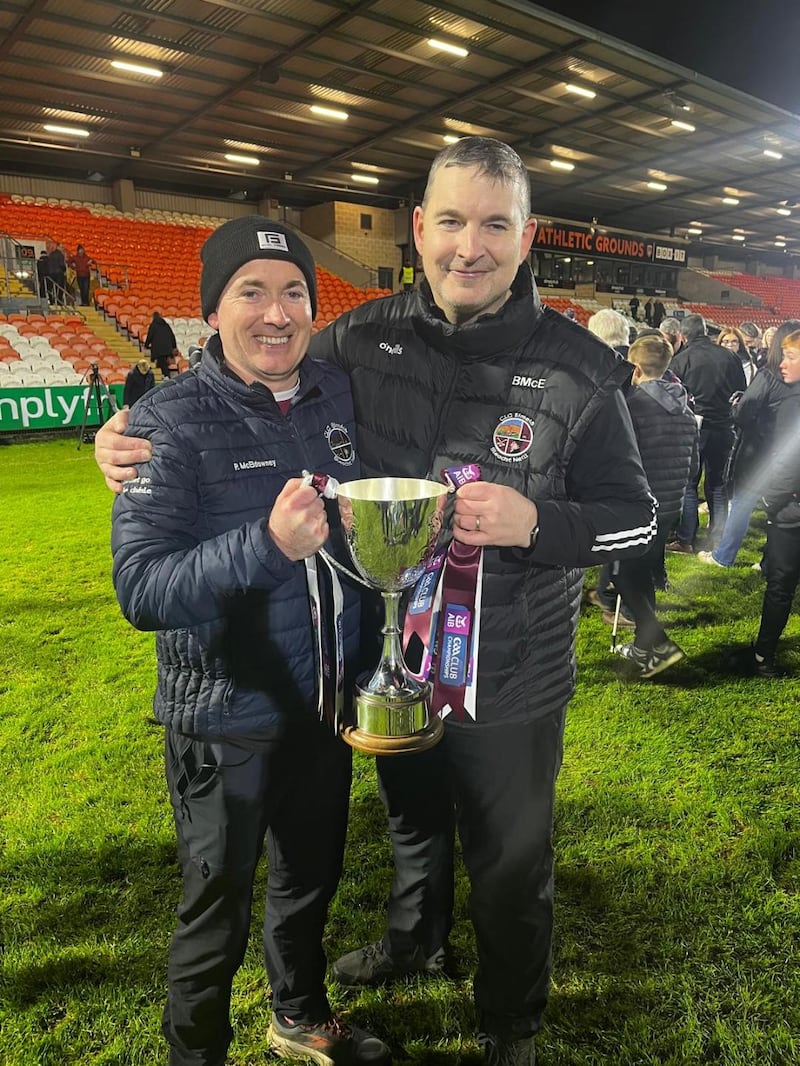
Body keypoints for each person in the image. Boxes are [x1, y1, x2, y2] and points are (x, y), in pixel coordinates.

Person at [94, 137, 656, 1066]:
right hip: (385, 662)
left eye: (493, 225)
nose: (467, 247)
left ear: (527, 239)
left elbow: (639, 520)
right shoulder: (361, 336)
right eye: (449, 221)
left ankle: (509, 1018)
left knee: (510, 862)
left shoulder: (580, 368)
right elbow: (244, 388)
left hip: (510, 674)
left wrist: (536, 523)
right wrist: (120, 437)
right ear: (417, 228)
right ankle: (413, 938)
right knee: (410, 818)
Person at [110, 217, 390, 1066]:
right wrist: (266, 545)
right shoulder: (164, 422)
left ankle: (298, 1015)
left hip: (321, 701)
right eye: (251, 292)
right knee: (217, 904)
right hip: (223, 715)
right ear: (211, 311)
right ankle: (196, 1053)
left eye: (294, 291)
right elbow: (142, 589)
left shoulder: (336, 394)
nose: (276, 313)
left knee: (310, 878)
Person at [610, 335, 698, 677]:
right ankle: (645, 648)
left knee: (625, 575)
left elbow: (622, 458)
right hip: (670, 504)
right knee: (641, 573)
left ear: (635, 367)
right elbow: (693, 468)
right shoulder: (686, 411)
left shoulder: (631, 406)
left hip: (637, 502)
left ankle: (657, 643)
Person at [697, 319, 798, 569]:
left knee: (743, 501)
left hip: (758, 451)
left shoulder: (768, 375)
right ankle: (769, 562)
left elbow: (744, 413)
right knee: (780, 507)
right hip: (787, 456)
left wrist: (736, 406)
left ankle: (724, 555)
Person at [667, 313, 747, 552]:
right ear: (705, 331)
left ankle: (686, 539)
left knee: (690, 484)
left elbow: (672, 395)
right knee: (717, 484)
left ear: (683, 335)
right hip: (724, 428)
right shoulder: (729, 357)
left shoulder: (681, 360)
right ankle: (717, 538)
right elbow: (741, 391)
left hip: (695, 428)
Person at [748, 328, 800, 677]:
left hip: (791, 509)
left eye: (791, 356)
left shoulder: (794, 404)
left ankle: (763, 655)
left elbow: (788, 461)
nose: (782, 363)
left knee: (781, 583)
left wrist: (770, 497)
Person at [144, 310, 178, 378]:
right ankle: (164, 376)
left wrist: (146, 345)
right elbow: (172, 336)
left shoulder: (153, 325)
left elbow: (150, 336)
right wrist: (174, 346)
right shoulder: (166, 325)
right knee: (162, 362)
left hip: (158, 348)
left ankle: (165, 376)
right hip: (167, 348)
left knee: (161, 362)